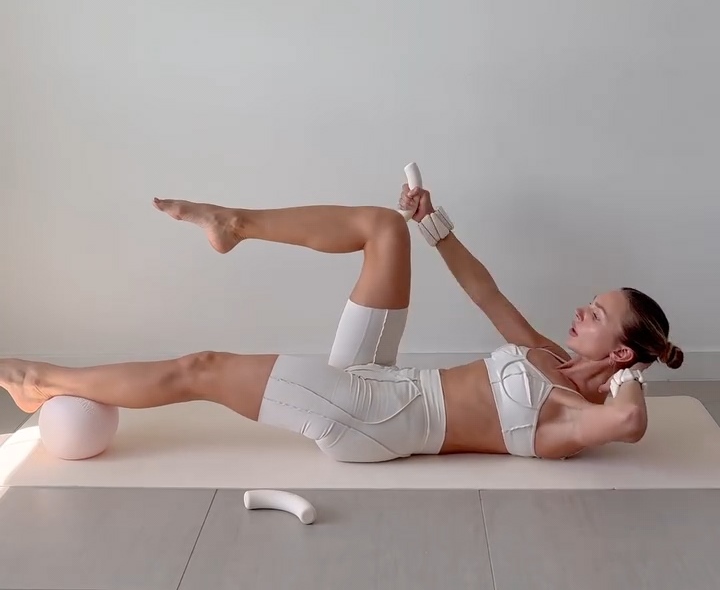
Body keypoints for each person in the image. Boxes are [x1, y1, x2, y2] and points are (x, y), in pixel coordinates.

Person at [0, 180, 683, 461]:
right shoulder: (548, 355)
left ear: (623, 354)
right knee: (384, 228)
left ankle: (41, 380)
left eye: (597, 314)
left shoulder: (573, 416)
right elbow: (486, 293)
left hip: (372, 418)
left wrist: (632, 380)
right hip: (384, 378)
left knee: (201, 368)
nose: (581, 310)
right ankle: (234, 223)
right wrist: (434, 225)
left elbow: (629, 423)